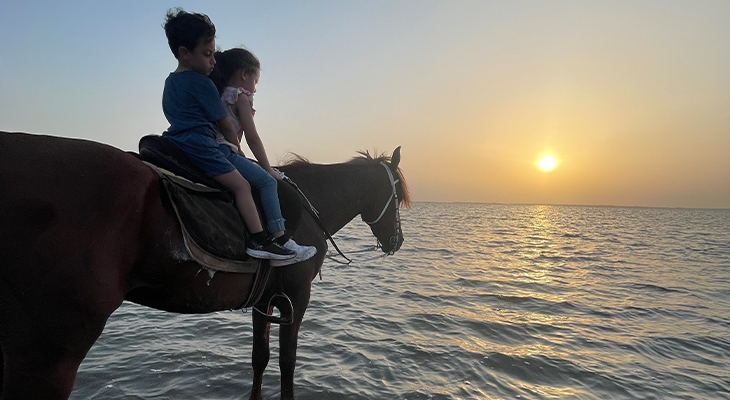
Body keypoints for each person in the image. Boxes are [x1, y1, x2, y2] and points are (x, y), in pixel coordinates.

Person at [161, 8, 306, 264]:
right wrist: (237, 149)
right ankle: (260, 240)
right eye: (207, 54)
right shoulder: (203, 84)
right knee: (241, 185)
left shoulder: (170, 81)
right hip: (202, 145)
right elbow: (225, 125)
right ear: (184, 53)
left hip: (174, 140)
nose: (213, 62)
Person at [209, 47, 316, 266]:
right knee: (267, 182)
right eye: (255, 81)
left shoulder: (220, 93)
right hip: (225, 152)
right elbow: (253, 138)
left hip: (218, 149)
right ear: (244, 75)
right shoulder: (240, 97)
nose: (255, 89)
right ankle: (281, 238)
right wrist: (268, 169)